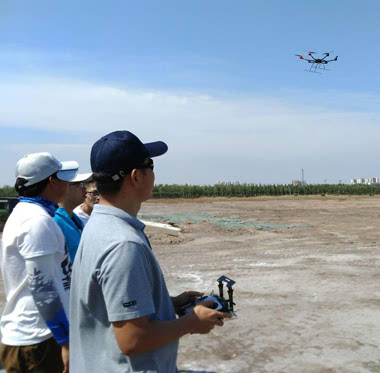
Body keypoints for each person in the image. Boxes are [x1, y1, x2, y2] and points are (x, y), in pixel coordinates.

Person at [69, 130, 231, 373]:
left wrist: (170, 304)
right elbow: (133, 340)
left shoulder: (98, 225)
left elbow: (109, 306)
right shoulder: (123, 244)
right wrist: (191, 322)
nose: (154, 173)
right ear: (136, 177)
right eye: (150, 165)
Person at [0, 152, 79, 373]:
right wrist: (65, 341)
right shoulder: (37, 222)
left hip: (36, 336)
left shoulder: (27, 214)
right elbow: (42, 287)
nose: (67, 183)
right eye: (63, 177)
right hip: (38, 339)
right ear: (52, 181)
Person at [53, 173, 92, 264]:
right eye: (80, 184)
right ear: (65, 187)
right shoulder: (55, 221)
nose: (85, 189)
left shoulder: (75, 219)